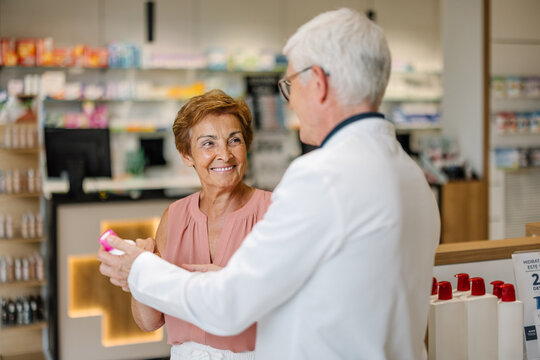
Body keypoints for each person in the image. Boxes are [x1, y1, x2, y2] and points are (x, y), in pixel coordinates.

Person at [99, 8, 440, 360]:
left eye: (290, 84)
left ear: (319, 83)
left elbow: (229, 307)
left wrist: (139, 269)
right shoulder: (411, 176)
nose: (289, 102)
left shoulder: (321, 178)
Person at [131, 89, 272, 359]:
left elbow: (294, 306)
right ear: (187, 155)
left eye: (234, 140)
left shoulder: (273, 211)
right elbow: (149, 322)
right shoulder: (174, 217)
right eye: (208, 143)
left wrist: (230, 286)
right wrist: (140, 269)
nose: (225, 154)